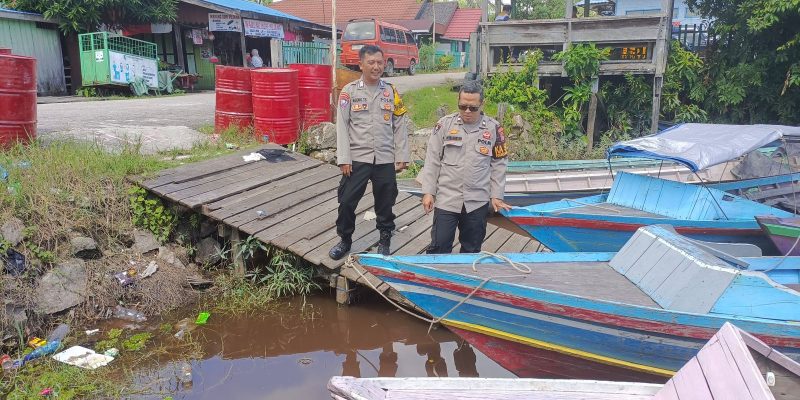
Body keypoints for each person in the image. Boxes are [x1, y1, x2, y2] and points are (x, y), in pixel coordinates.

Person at [329, 45, 410, 260]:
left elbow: (400, 124)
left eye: (380, 62)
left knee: (386, 201)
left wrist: (402, 155)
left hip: (384, 158)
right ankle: (345, 239)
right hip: (357, 158)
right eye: (371, 62)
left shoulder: (390, 91)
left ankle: (385, 238)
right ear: (361, 64)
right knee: (347, 201)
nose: (376, 67)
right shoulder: (349, 92)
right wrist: (344, 158)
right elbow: (342, 127)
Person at [420, 80, 511, 254]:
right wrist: (428, 192)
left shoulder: (494, 129)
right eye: (463, 107)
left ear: (481, 104)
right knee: (438, 247)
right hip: (447, 199)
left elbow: (499, 164)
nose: (467, 112)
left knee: (471, 249)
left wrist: (497, 195)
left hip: (477, 201)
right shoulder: (444, 125)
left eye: (473, 108)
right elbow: (432, 160)